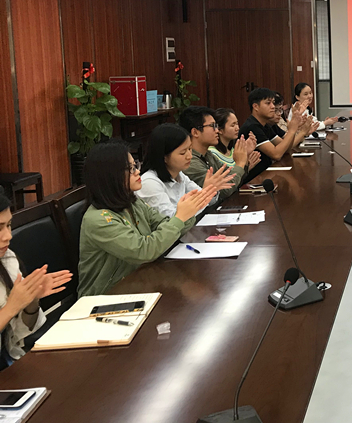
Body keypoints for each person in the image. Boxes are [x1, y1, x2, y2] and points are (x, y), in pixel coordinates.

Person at [78, 141, 215, 297]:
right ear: (110, 175)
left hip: (140, 282)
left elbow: (164, 224)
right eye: (130, 168)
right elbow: (143, 251)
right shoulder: (98, 219)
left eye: (135, 165)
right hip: (104, 297)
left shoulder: (133, 203)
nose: (138, 171)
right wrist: (180, 218)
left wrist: (188, 213)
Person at [0, 190, 72, 368]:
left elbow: (17, 337)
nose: (8, 236)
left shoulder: (7, 259)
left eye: (9, 225)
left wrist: (31, 300)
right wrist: (11, 307)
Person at [137, 123, 237, 218]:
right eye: (183, 152)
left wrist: (210, 190)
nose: (189, 156)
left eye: (190, 149)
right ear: (164, 157)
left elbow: (208, 202)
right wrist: (204, 194)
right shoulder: (149, 183)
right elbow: (171, 220)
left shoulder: (179, 175)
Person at [240, 88, 312, 182]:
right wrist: (292, 130)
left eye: (273, 103)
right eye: (268, 103)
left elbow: (286, 148)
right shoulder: (252, 127)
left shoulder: (265, 125)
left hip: (266, 175)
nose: (273, 106)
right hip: (254, 181)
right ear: (256, 106)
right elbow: (276, 154)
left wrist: (294, 128)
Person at [180, 106, 248, 198]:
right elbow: (223, 191)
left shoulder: (208, 155)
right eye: (212, 126)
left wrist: (244, 161)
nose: (217, 131)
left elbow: (231, 177)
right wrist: (240, 163)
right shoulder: (190, 161)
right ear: (195, 132)